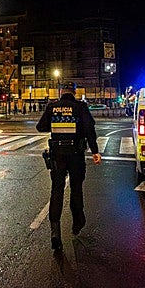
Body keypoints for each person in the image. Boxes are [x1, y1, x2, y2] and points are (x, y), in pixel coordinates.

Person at [36, 81, 102, 251]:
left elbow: (41, 127)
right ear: (74, 92)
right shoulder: (80, 107)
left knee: (57, 190)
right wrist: (95, 151)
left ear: (60, 92)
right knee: (76, 187)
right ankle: (77, 222)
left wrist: (56, 121)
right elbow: (89, 129)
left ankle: (55, 232)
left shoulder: (53, 106)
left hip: (57, 155)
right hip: (75, 154)